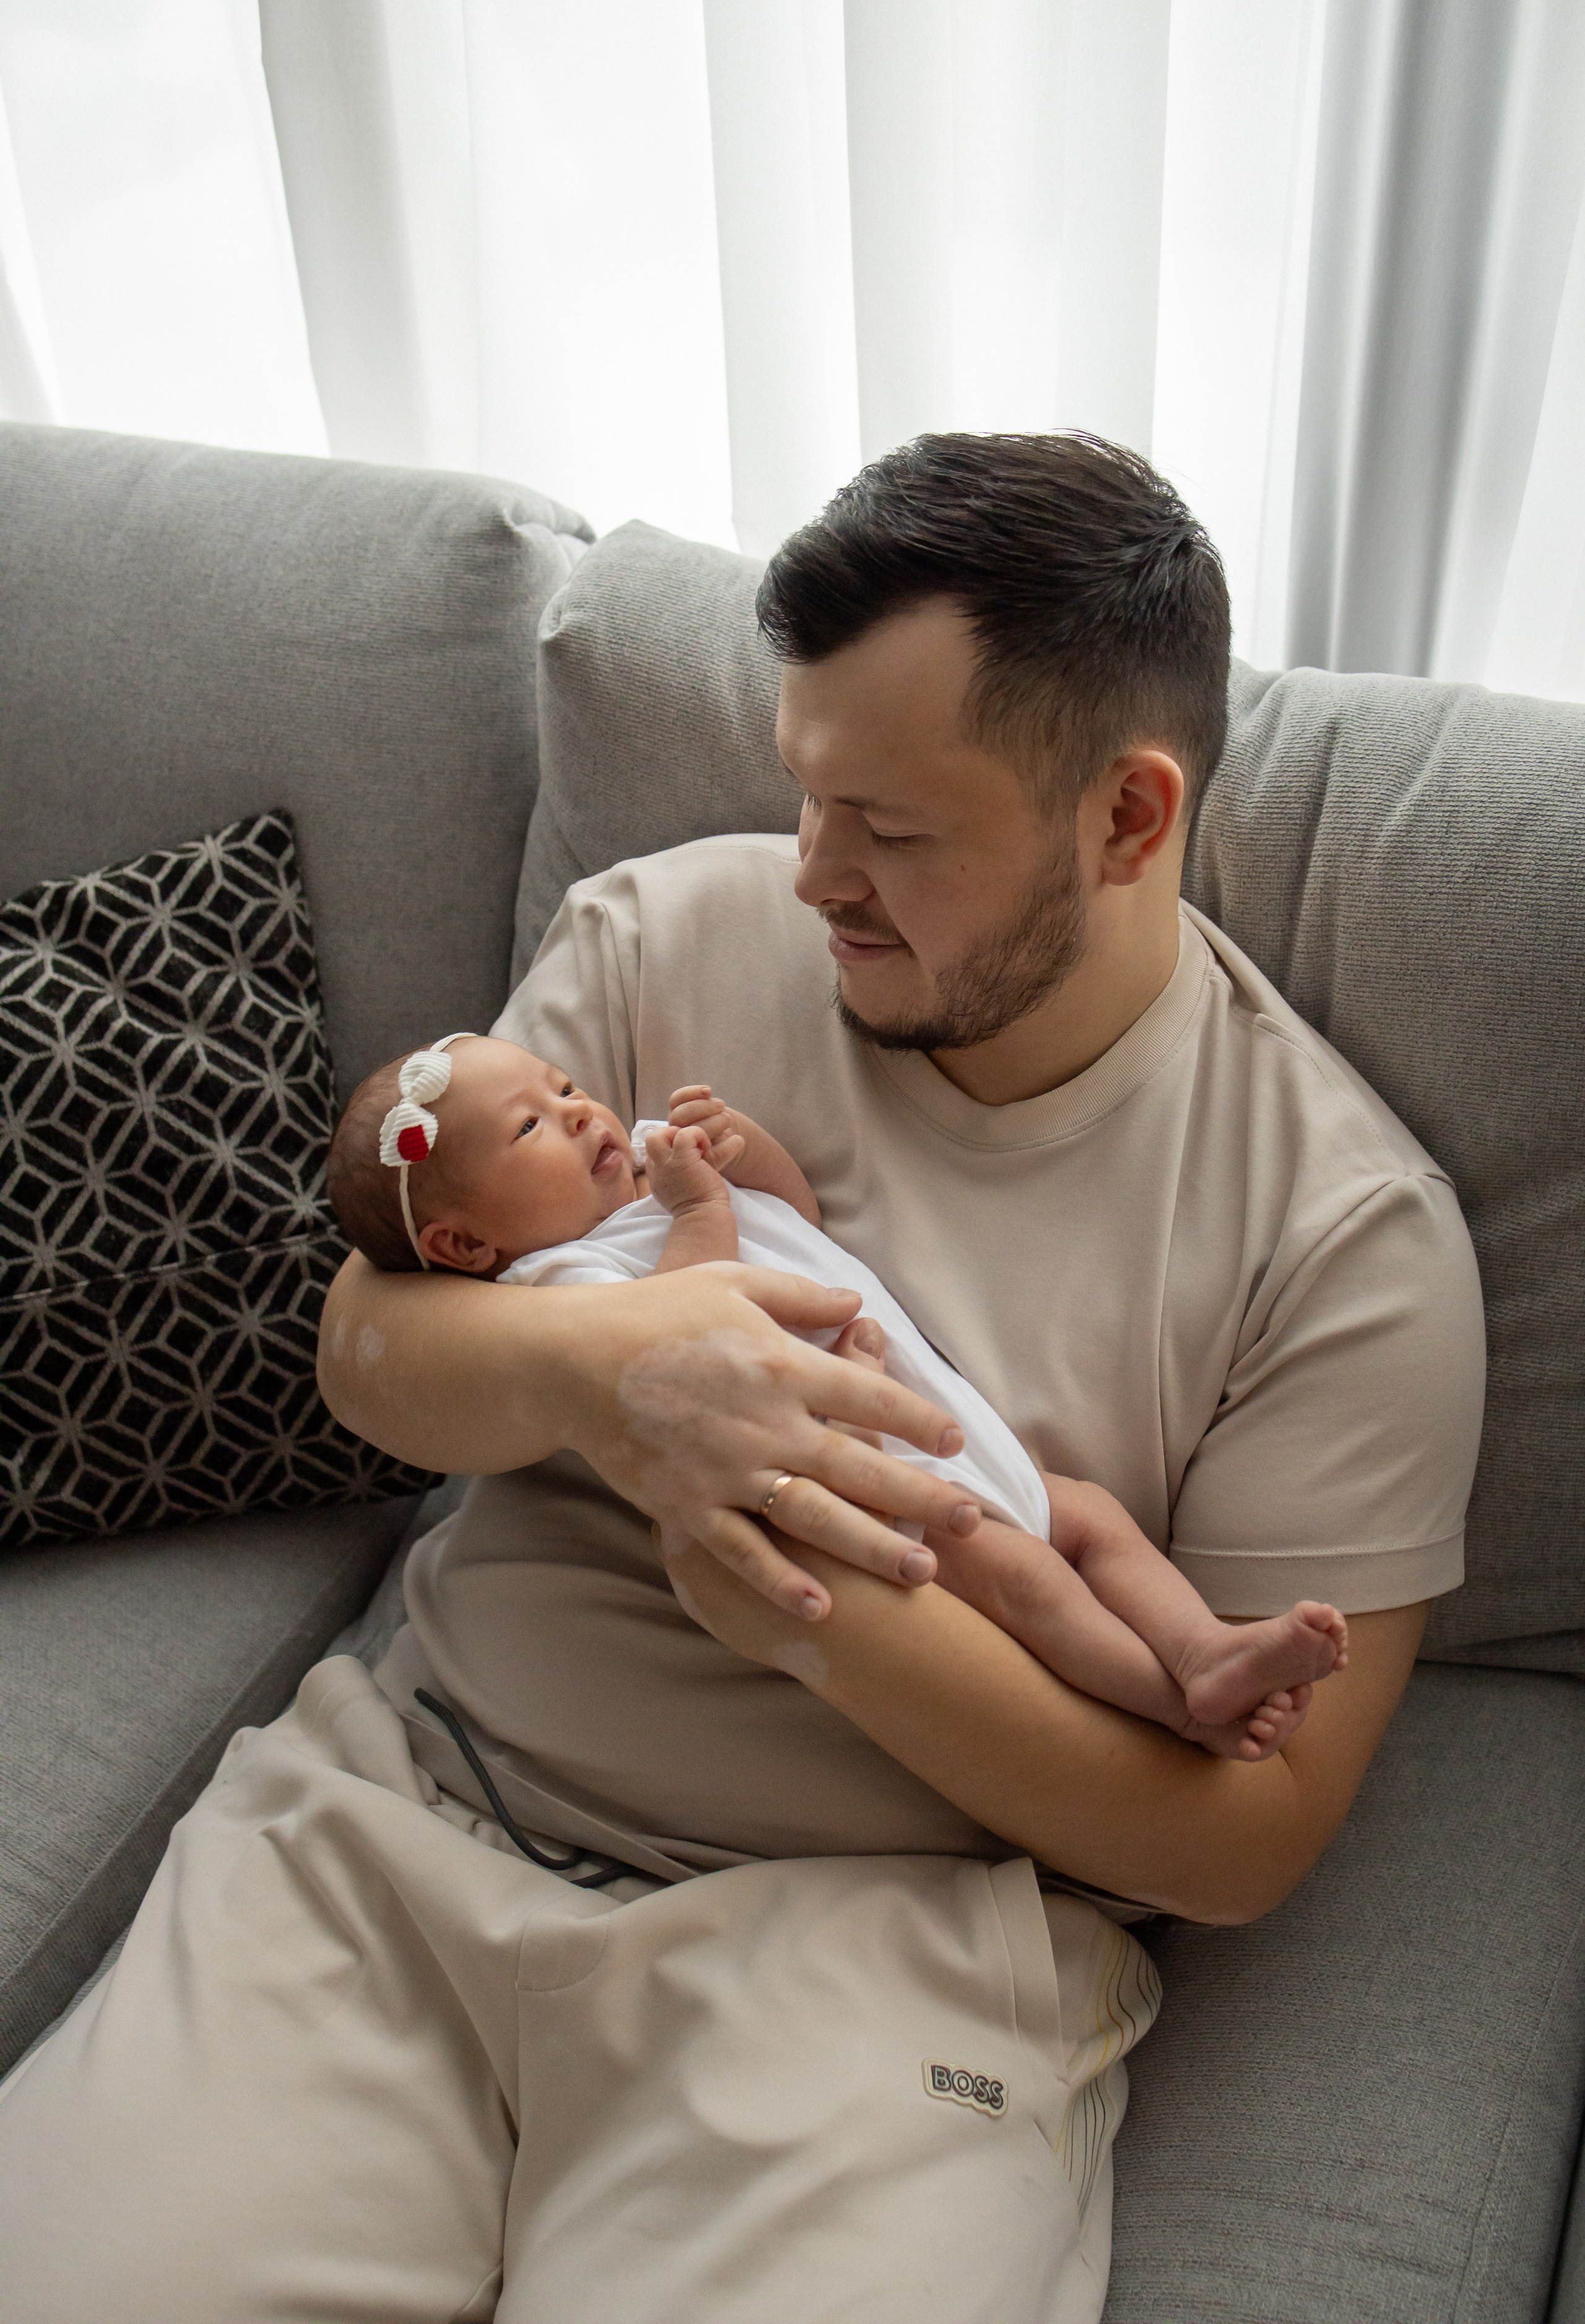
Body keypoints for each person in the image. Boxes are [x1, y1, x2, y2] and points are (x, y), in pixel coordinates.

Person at [0, 434, 1485, 2324]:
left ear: (1126, 818)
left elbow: (1247, 1840)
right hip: (403, 1826)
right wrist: (615, 1380)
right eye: (804, 793)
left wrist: (809, 1613)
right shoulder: (656, 938)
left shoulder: (1344, 1245)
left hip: (873, 1975)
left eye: (892, 829)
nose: (811, 877)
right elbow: (371, 1348)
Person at [328, 1033, 1348, 1761]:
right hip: (865, 1482)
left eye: (563, 1087)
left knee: (1090, 1517)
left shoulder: (647, 1170)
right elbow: (681, 1332)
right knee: (1030, 1581)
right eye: (530, 1128)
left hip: (945, 1427)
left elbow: (796, 1220)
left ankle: (1202, 1645)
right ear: (467, 1245)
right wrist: (701, 1206)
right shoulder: (560, 1282)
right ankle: (1175, 1708)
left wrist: (743, 1150)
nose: (579, 1112)